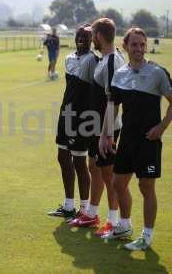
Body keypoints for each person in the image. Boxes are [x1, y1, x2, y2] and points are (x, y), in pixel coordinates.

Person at [99, 27, 172, 250]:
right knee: (118, 183)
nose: (139, 49)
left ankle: (146, 236)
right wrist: (105, 136)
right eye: (134, 45)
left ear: (146, 46)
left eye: (142, 44)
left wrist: (161, 127)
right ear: (126, 46)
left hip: (148, 141)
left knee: (146, 187)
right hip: (127, 139)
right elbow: (112, 107)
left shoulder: (158, 73)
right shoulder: (119, 74)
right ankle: (124, 226)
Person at [69, 18, 124, 237]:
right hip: (97, 126)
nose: (91, 40)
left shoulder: (111, 62)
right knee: (95, 167)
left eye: (93, 36)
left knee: (109, 174)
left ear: (99, 36)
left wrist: (107, 134)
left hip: (105, 129)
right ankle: (91, 213)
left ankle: (113, 221)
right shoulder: (107, 58)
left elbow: (114, 101)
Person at [48, 24, 98, 220]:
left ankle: (84, 209)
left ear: (92, 40)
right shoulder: (68, 59)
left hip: (83, 118)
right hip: (66, 114)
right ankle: (69, 206)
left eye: (86, 37)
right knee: (62, 157)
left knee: (79, 161)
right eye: (79, 35)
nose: (81, 39)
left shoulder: (93, 60)